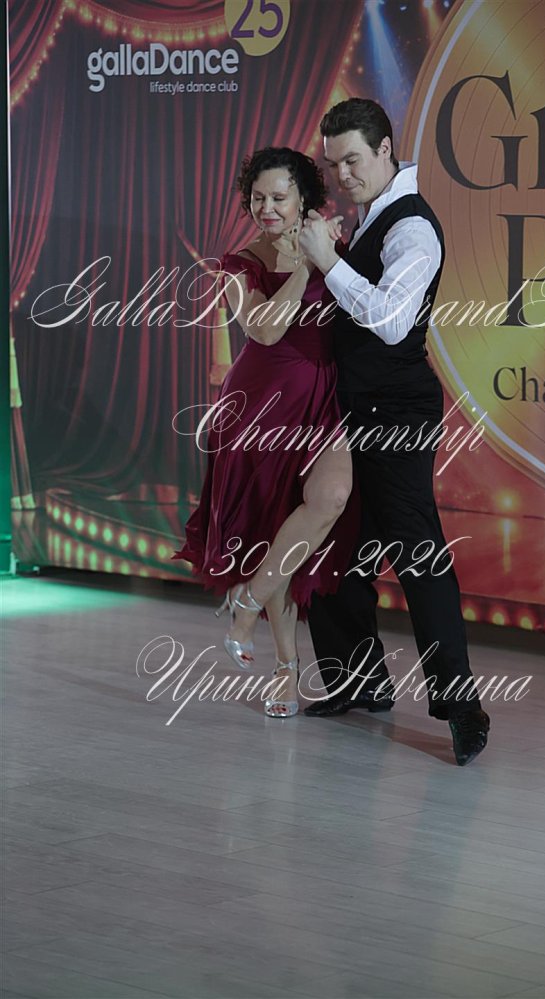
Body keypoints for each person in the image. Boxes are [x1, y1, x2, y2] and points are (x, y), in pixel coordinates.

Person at [299, 98, 490, 765]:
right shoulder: (371, 215)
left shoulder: (412, 227)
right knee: (334, 545)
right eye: (333, 164)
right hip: (351, 409)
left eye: (353, 159)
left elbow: (389, 320)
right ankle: (357, 681)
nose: (342, 175)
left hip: (396, 415)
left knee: (418, 555)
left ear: (385, 150)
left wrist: (328, 261)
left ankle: (463, 708)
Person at [173, 147, 357, 719]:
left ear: (304, 197)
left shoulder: (337, 241)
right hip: (259, 408)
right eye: (258, 198)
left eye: (279, 197)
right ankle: (285, 669)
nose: (267, 208)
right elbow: (265, 331)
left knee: (331, 496)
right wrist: (305, 265)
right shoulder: (240, 263)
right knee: (272, 529)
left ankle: (247, 600)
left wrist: (325, 252)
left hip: (325, 400)